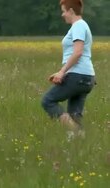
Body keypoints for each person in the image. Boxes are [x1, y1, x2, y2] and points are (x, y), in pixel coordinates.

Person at [41, 0, 95, 135]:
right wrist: (63, 72)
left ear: (71, 11)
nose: (62, 14)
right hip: (86, 77)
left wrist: (62, 72)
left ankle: (77, 131)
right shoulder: (83, 26)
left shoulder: (78, 26)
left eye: (64, 11)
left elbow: (78, 52)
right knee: (74, 114)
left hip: (77, 76)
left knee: (48, 101)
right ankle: (77, 141)